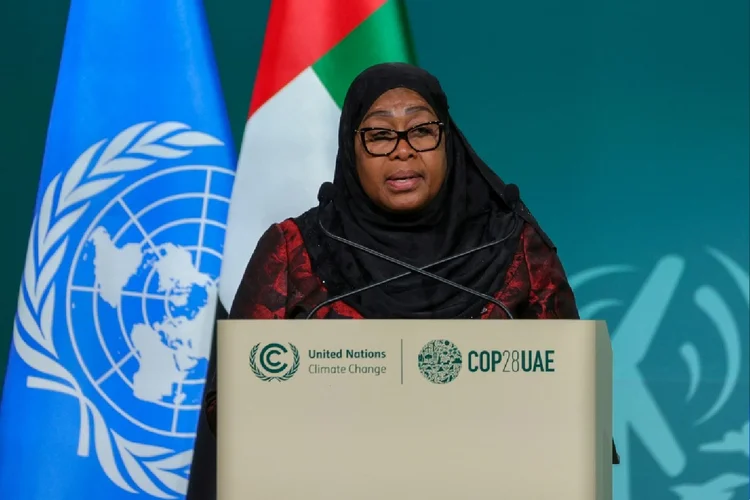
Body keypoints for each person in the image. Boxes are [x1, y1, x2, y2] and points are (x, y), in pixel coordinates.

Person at [202, 62, 618, 464]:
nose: (403, 151)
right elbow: (233, 405)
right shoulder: (295, 250)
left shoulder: (515, 244)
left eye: (421, 130)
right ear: (351, 146)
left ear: (448, 140)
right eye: (380, 135)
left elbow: (574, 391)